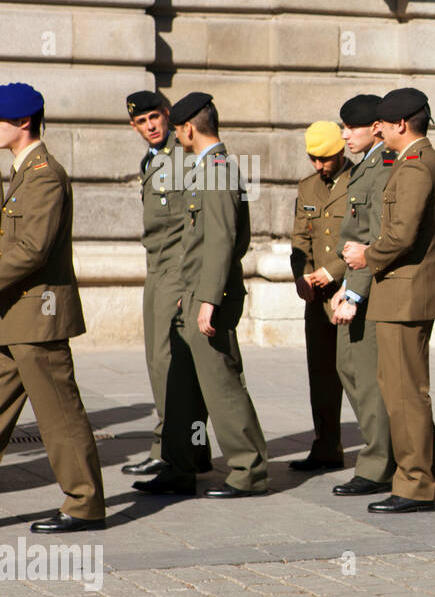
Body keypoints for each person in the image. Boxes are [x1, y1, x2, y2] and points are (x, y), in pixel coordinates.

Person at [136, 92, 270, 498]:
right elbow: (198, 242)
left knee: (221, 385)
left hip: (209, 297)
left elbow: (224, 240)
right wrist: (189, 292)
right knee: (183, 386)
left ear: (188, 128)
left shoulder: (218, 171)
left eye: (177, 128)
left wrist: (208, 297)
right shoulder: (202, 169)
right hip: (192, 292)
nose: (176, 136)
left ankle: (249, 469)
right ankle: (182, 464)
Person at [342, 88, 435, 513]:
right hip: (408, 291)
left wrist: (364, 256)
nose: (378, 132)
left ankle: (413, 484)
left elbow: (401, 235)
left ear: (400, 125)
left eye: (382, 125)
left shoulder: (413, 167)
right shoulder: (424, 160)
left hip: (404, 293)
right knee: (406, 388)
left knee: (404, 392)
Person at [0, 82, 107, 533]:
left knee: (60, 415)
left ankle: (84, 504)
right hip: (13, 317)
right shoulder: (22, 172)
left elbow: (32, 249)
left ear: (23, 122)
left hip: (37, 318)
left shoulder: (44, 174)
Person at [123, 90, 211, 478]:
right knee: (159, 362)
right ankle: (174, 446)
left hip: (176, 268)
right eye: (142, 122)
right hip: (156, 267)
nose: (150, 126)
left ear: (167, 115)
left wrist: (188, 283)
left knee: (171, 363)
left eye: (155, 118)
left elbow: (197, 224)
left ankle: (182, 451)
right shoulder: (153, 159)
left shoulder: (184, 156)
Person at [327, 94, 396, 497]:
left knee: (365, 377)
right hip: (354, 282)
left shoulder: (383, 168)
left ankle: (376, 465)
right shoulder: (366, 167)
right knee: (349, 369)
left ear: (375, 128)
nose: (344, 135)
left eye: (351, 127)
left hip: (369, 288)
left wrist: (354, 295)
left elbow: (375, 237)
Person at [288, 121, 349, 473]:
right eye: (313, 158)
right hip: (317, 297)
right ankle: (326, 445)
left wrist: (334, 273)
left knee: (358, 377)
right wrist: (302, 274)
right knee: (321, 376)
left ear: (340, 152)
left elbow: (366, 238)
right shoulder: (307, 187)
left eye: (324, 159)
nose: (318, 166)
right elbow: (301, 239)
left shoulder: (359, 182)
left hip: (347, 291)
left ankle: (380, 452)